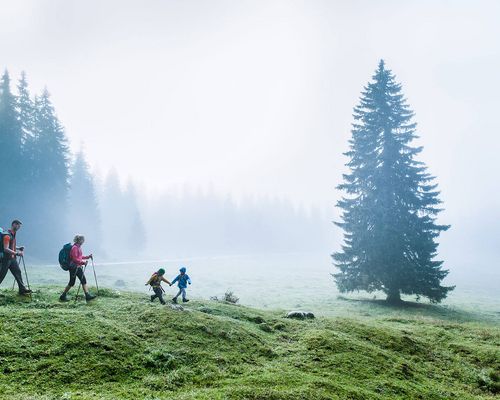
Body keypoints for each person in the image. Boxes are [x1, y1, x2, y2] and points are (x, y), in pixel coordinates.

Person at [59, 234, 96, 302]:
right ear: (79, 240)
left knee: (80, 281)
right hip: (74, 267)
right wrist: (83, 263)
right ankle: (63, 296)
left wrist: (87, 257)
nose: (83, 241)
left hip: (77, 267)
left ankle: (87, 295)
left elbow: (79, 256)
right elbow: (75, 259)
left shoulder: (78, 247)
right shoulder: (75, 248)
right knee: (73, 282)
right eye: (83, 240)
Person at [0, 220, 31, 295]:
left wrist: (18, 248)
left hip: (12, 259)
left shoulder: (13, 234)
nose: (18, 227)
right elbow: (6, 248)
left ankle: (22, 289)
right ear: (13, 224)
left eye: (19, 225)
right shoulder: (7, 235)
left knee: (18, 272)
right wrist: (17, 253)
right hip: (5, 259)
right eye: (17, 225)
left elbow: (11, 246)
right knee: (1, 275)